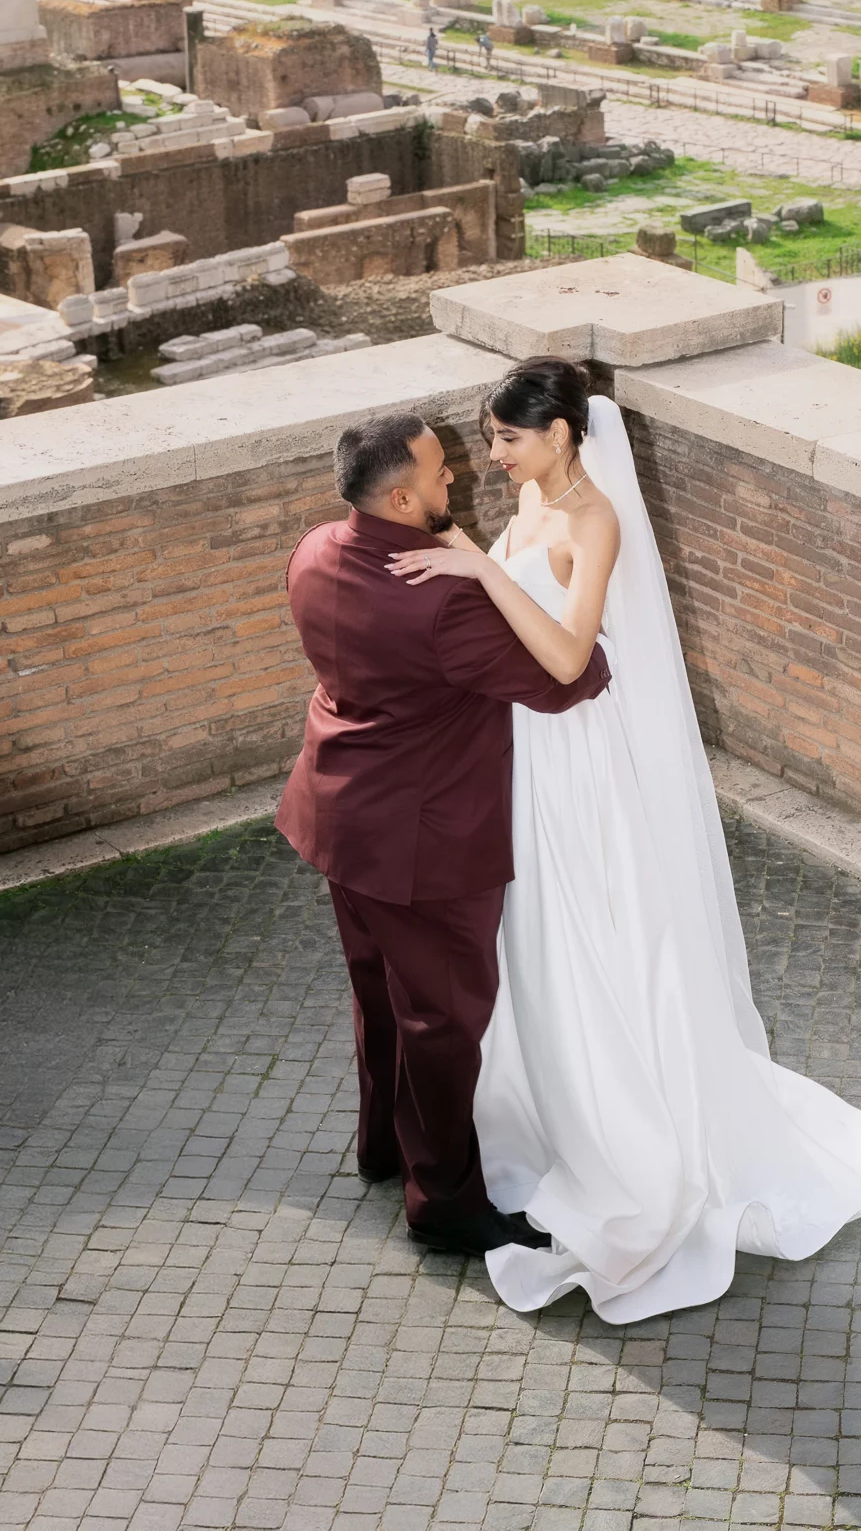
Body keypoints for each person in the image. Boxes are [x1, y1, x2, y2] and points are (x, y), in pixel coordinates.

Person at [387, 359, 861, 1322]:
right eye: (490, 437)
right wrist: (461, 551)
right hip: (523, 743)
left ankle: (629, 1138)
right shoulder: (534, 503)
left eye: (507, 438)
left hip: (574, 750)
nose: (493, 455)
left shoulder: (593, 520)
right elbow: (508, 604)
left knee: (592, 925)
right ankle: (548, 1107)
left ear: (562, 435)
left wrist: (475, 571)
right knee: (533, 934)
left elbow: (571, 654)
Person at [276, 411, 612, 1256]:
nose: (455, 477)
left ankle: (382, 1148)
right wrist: (501, 586)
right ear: (398, 495)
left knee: (378, 997)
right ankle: (445, 1203)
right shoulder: (442, 607)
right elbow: (569, 682)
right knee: (442, 1022)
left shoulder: (314, 550)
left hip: (337, 817)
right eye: (436, 474)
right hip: (425, 845)